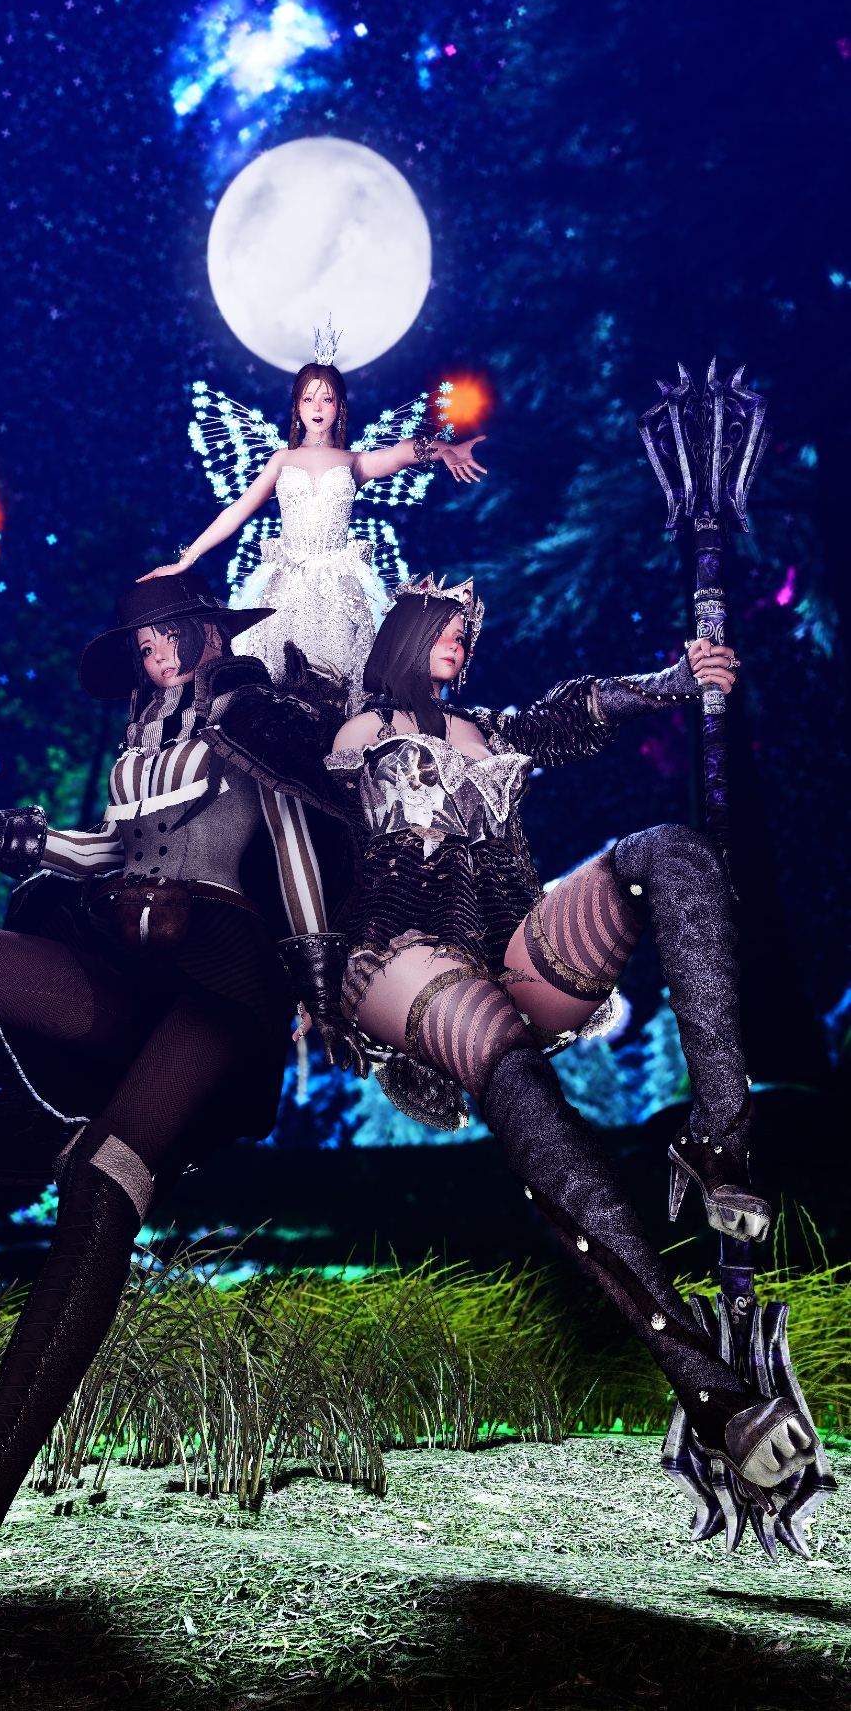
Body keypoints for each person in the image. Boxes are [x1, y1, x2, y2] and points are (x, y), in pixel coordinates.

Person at [0, 569, 358, 1711]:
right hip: (118, 958)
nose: (154, 656)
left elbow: (298, 844)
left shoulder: (252, 716)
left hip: (223, 974)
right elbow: (101, 853)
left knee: (102, 1187)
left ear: (206, 632)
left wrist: (317, 979)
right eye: (140, 644)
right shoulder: (141, 736)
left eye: (167, 637)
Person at [322, 575, 818, 1500]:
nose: (460, 641)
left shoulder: (486, 727)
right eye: (445, 628)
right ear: (407, 633)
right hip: (399, 954)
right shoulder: (357, 733)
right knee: (508, 1063)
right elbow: (301, 810)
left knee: (669, 849)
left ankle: (716, 1137)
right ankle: (708, 1388)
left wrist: (673, 680)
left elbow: (567, 716)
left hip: (508, 947)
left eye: (467, 632)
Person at [143, 328, 486, 707]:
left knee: (344, 681)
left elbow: (403, 451)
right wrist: (186, 559)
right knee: (275, 680)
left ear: (340, 406)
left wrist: (445, 449)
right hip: (286, 586)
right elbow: (237, 510)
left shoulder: (355, 461)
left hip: (341, 587)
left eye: (327, 398)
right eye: (308, 398)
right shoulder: (282, 460)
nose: (317, 407)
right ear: (297, 406)